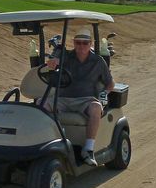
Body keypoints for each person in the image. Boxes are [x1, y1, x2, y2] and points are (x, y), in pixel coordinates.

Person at [46, 27, 115, 166]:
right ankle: (51, 141)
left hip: (86, 99)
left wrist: (105, 93)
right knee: (42, 104)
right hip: (64, 99)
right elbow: (53, 62)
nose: (81, 46)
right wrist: (53, 62)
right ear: (74, 43)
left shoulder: (98, 61)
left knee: (96, 107)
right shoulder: (66, 56)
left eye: (85, 43)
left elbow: (110, 83)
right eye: (78, 42)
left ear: (90, 44)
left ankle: (88, 149)